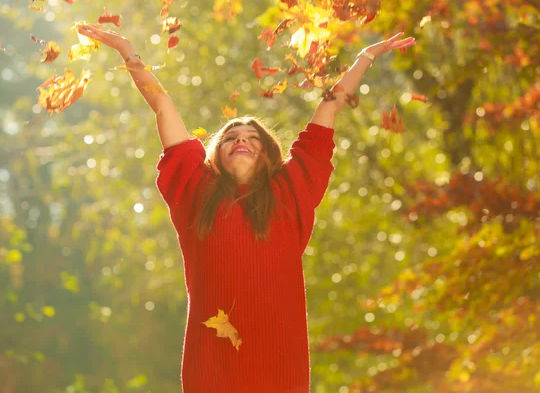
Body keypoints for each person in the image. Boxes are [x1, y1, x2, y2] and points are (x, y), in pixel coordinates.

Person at [78, 24, 415, 393]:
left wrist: (365, 58)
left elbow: (329, 109)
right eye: (232, 137)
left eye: (254, 138)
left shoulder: (292, 191)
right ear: (216, 157)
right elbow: (162, 105)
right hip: (212, 370)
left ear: (269, 156)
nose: (242, 139)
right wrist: (128, 52)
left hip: (280, 370)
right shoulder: (196, 192)